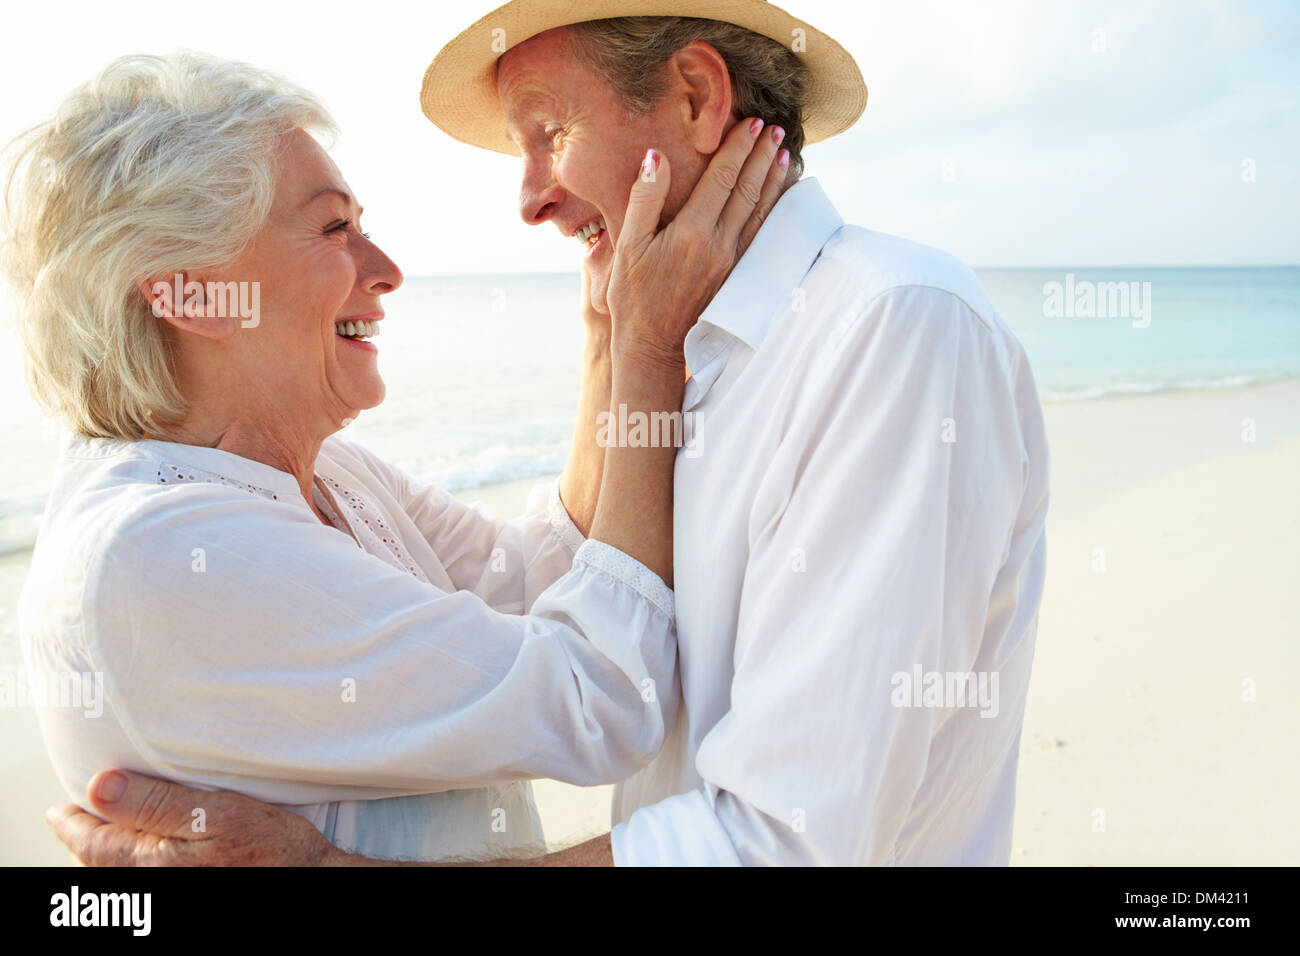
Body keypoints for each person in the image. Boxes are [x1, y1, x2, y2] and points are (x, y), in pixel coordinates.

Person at [49, 0, 1051, 867]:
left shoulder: (889, 330)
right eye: (330, 227)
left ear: (698, 99)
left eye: (547, 132)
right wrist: (626, 345)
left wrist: (627, 344)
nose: (527, 198)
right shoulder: (694, 356)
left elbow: (783, 840)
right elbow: (577, 616)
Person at [7, 51, 786, 864]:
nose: (386, 271)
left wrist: (606, 330)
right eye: (334, 227)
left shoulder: (321, 471)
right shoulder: (159, 550)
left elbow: (540, 579)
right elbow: (602, 699)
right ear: (192, 292)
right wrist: (649, 352)